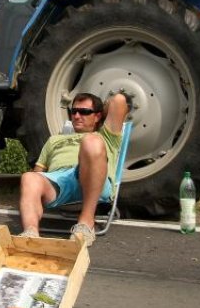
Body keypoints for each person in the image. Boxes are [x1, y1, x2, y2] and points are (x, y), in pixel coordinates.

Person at [18, 92, 130, 246]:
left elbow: (119, 100)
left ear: (97, 116)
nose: (77, 116)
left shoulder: (106, 136)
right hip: (59, 182)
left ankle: (86, 223)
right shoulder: (54, 140)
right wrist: (33, 195)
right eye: (74, 111)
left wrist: (102, 110)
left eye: (84, 112)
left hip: (93, 178)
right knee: (29, 177)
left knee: (91, 141)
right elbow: (38, 173)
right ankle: (30, 233)